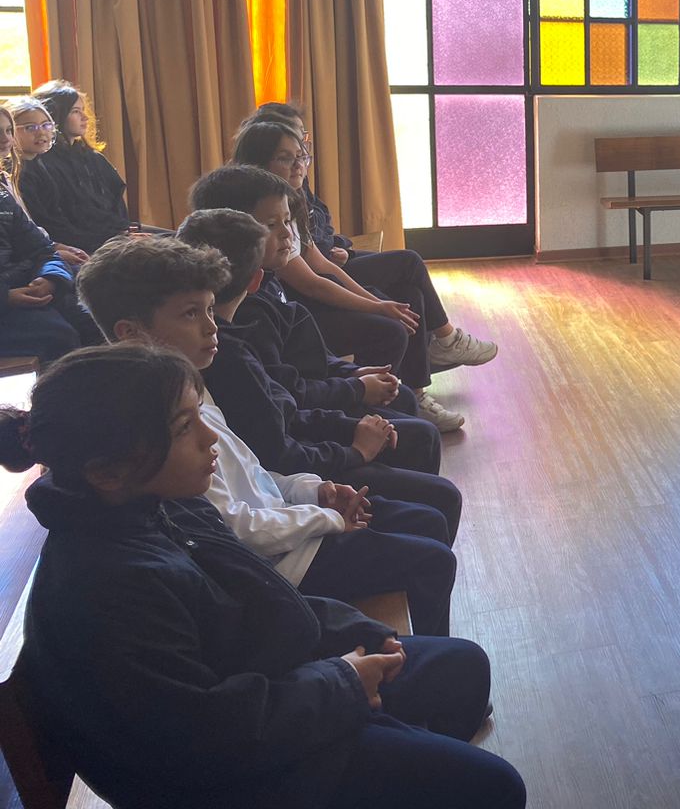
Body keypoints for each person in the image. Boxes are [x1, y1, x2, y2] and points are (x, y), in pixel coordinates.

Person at [0, 345, 524, 809]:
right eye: (184, 428)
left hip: (277, 696)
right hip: (233, 781)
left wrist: (353, 632)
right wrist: (342, 683)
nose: (209, 436)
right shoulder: (105, 587)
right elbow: (202, 735)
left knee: (464, 668)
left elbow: (264, 594)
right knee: (495, 787)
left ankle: (408, 756)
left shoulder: (165, 505)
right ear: (106, 471)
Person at [77, 231, 463, 542]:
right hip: (283, 546)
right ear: (130, 333)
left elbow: (255, 469)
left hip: (289, 505)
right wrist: (349, 459)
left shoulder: (191, 375)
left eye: (209, 309)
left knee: (429, 510)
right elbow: (239, 516)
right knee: (431, 522)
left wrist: (313, 491)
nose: (212, 327)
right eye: (192, 314)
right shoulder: (167, 404)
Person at [246, 101, 497, 373]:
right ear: (261, 160)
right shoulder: (265, 205)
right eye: (286, 157)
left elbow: (321, 250)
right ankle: (428, 354)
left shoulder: (293, 193)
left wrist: (374, 296)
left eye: (301, 152)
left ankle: (415, 386)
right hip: (301, 308)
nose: (299, 163)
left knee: (408, 295)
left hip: (328, 268)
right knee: (403, 282)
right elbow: (312, 284)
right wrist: (377, 307)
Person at [0, 104, 102, 362]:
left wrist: (50, 278)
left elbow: (42, 249)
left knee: (101, 314)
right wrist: (6, 297)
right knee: (60, 337)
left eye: (8, 131)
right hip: (8, 298)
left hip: (25, 285)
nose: (5, 139)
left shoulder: (3, 197)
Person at [15, 80, 135, 252]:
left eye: (83, 111)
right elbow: (57, 223)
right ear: (56, 115)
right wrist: (118, 239)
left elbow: (116, 203)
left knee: (171, 240)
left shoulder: (93, 158)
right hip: (87, 242)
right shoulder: (39, 164)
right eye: (75, 111)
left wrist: (125, 232)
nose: (85, 117)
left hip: (114, 234)